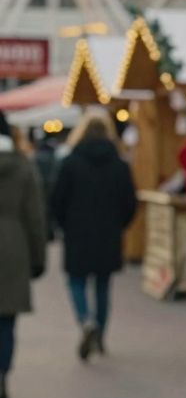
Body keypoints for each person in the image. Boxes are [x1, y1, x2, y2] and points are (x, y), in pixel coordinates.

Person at [50, 109, 138, 362]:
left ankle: (85, 320)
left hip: (77, 232)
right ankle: (99, 332)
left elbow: (57, 200)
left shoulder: (70, 162)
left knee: (76, 281)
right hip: (108, 234)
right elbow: (129, 202)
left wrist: (64, 225)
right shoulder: (119, 165)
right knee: (102, 285)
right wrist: (119, 225)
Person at [0, 111, 47, 398]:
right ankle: (2, 374)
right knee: (6, 319)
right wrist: (38, 259)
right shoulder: (22, 166)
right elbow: (35, 216)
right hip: (12, 247)